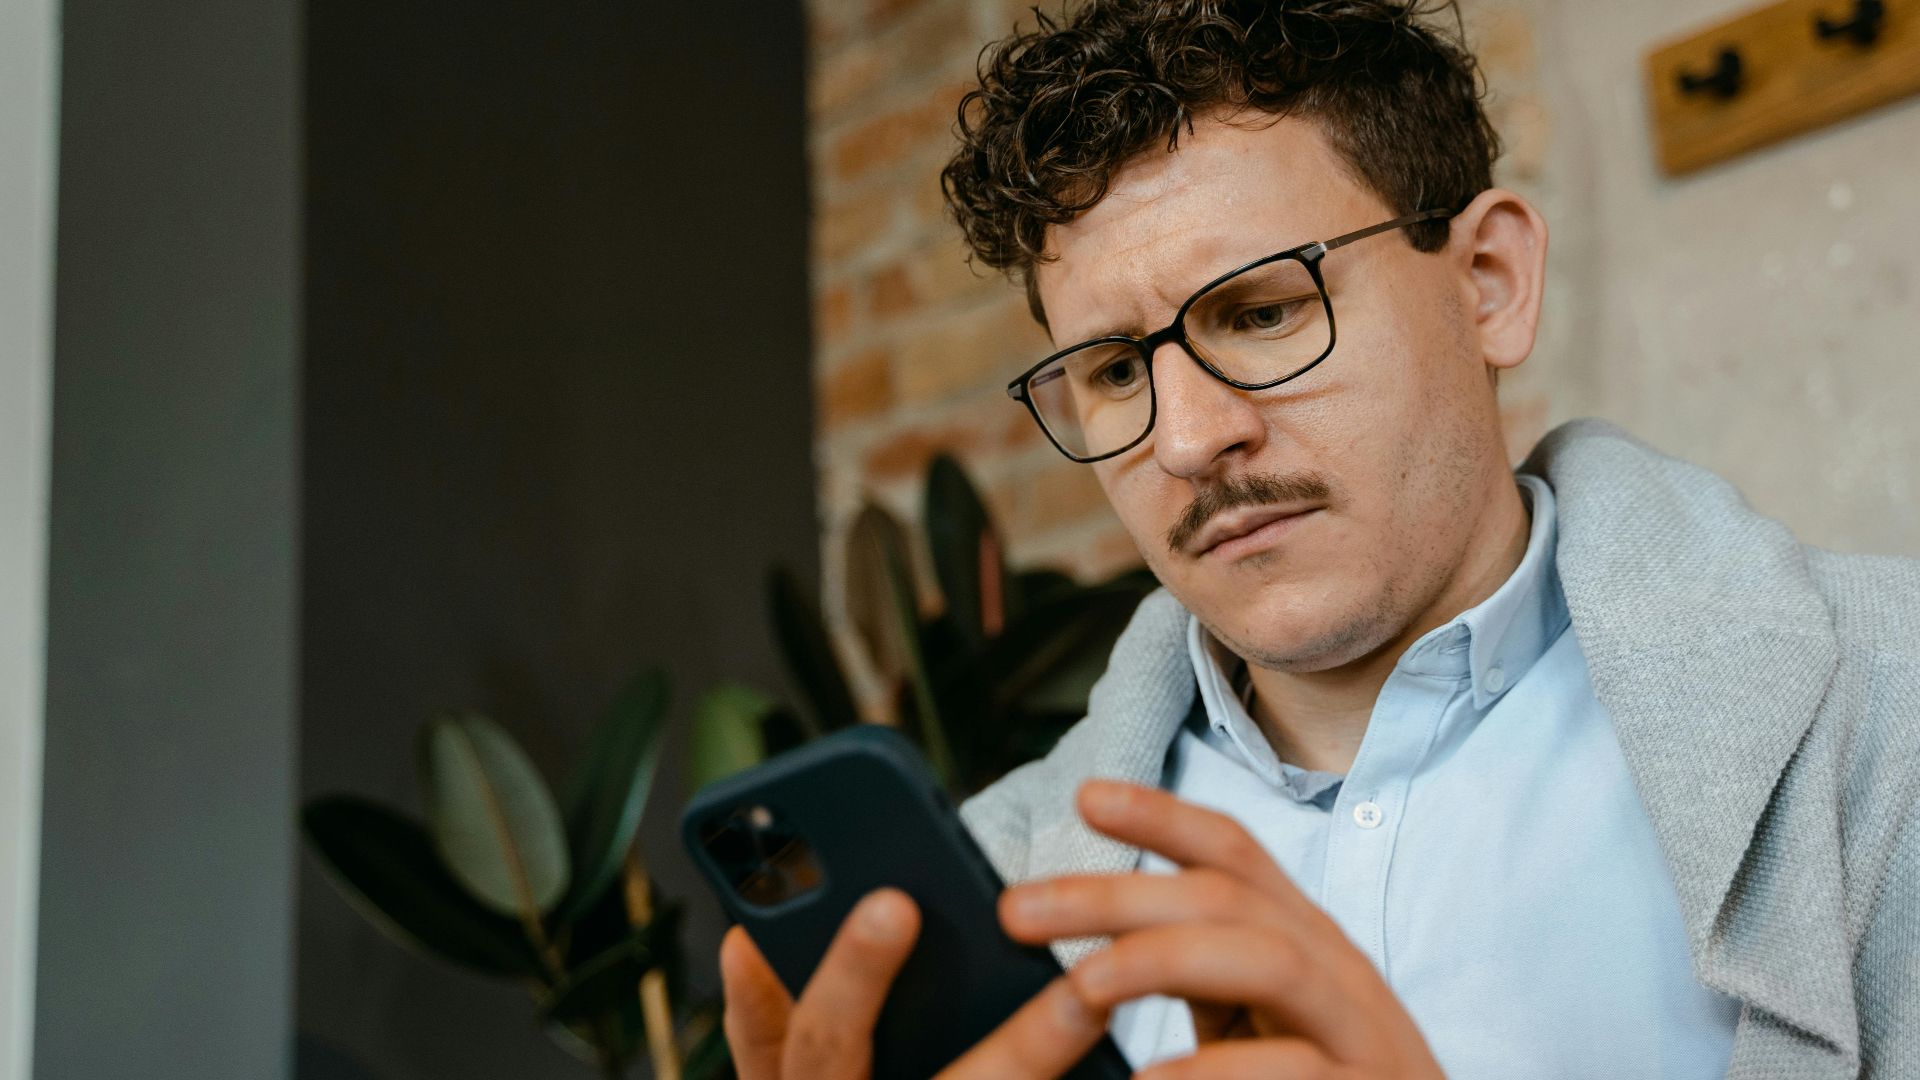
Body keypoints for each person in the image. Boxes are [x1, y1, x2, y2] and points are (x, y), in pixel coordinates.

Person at [717, 2, 1920, 1077]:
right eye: (1117, 369)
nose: (1187, 439)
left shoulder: (1889, 721)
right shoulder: (996, 888)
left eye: (1263, 311)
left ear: (1490, 281)